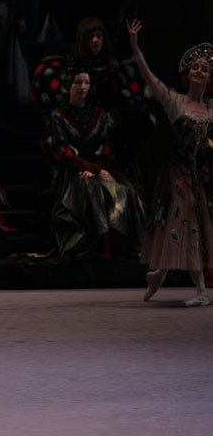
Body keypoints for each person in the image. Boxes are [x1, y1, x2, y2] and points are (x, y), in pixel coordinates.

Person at [127, 19, 213, 307]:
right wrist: (136, 48)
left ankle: (160, 274)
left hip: (199, 175)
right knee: (184, 219)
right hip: (176, 174)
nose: (199, 71)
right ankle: (199, 288)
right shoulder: (176, 102)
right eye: (194, 67)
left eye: (204, 67)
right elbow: (149, 78)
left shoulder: (211, 109)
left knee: (192, 224)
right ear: (187, 75)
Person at [44, 58, 147, 264]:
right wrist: (88, 168)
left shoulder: (99, 114)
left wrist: (98, 168)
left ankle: (122, 245)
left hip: (98, 170)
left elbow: (106, 147)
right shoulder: (58, 115)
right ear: (69, 85)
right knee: (93, 190)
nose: (83, 87)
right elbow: (63, 150)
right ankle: (99, 245)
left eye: (86, 83)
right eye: (78, 82)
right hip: (74, 174)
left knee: (124, 191)